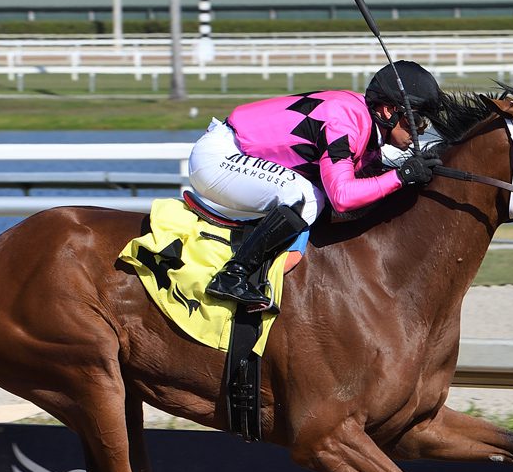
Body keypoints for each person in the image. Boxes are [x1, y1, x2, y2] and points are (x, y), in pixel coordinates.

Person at [188, 60, 445, 310]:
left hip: (236, 153)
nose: (420, 130)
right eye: (418, 120)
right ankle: (233, 275)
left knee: (313, 198)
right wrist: (401, 176)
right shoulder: (345, 120)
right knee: (306, 197)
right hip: (219, 158)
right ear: (389, 111)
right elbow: (342, 196)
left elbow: (369, 182)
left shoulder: (364, 124)